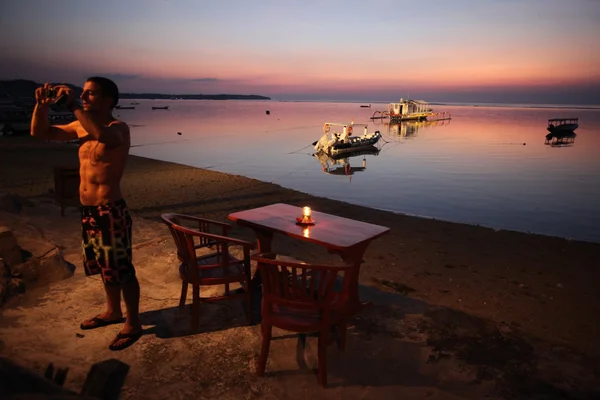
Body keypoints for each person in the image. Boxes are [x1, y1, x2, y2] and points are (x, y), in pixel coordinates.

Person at [30, 77, 142, 351]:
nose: (84, 98)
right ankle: (113, 311)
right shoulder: (81, 126)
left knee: (121, 270)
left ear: (108, 100)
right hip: (89, 211)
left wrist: (70, 105)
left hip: (110, 210)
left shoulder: (119, 129)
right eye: (82, 94)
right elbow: (40, 132)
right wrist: (40, 105)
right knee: (104, 267)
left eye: (90, 94)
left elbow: (103, 136)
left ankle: (134, 323)